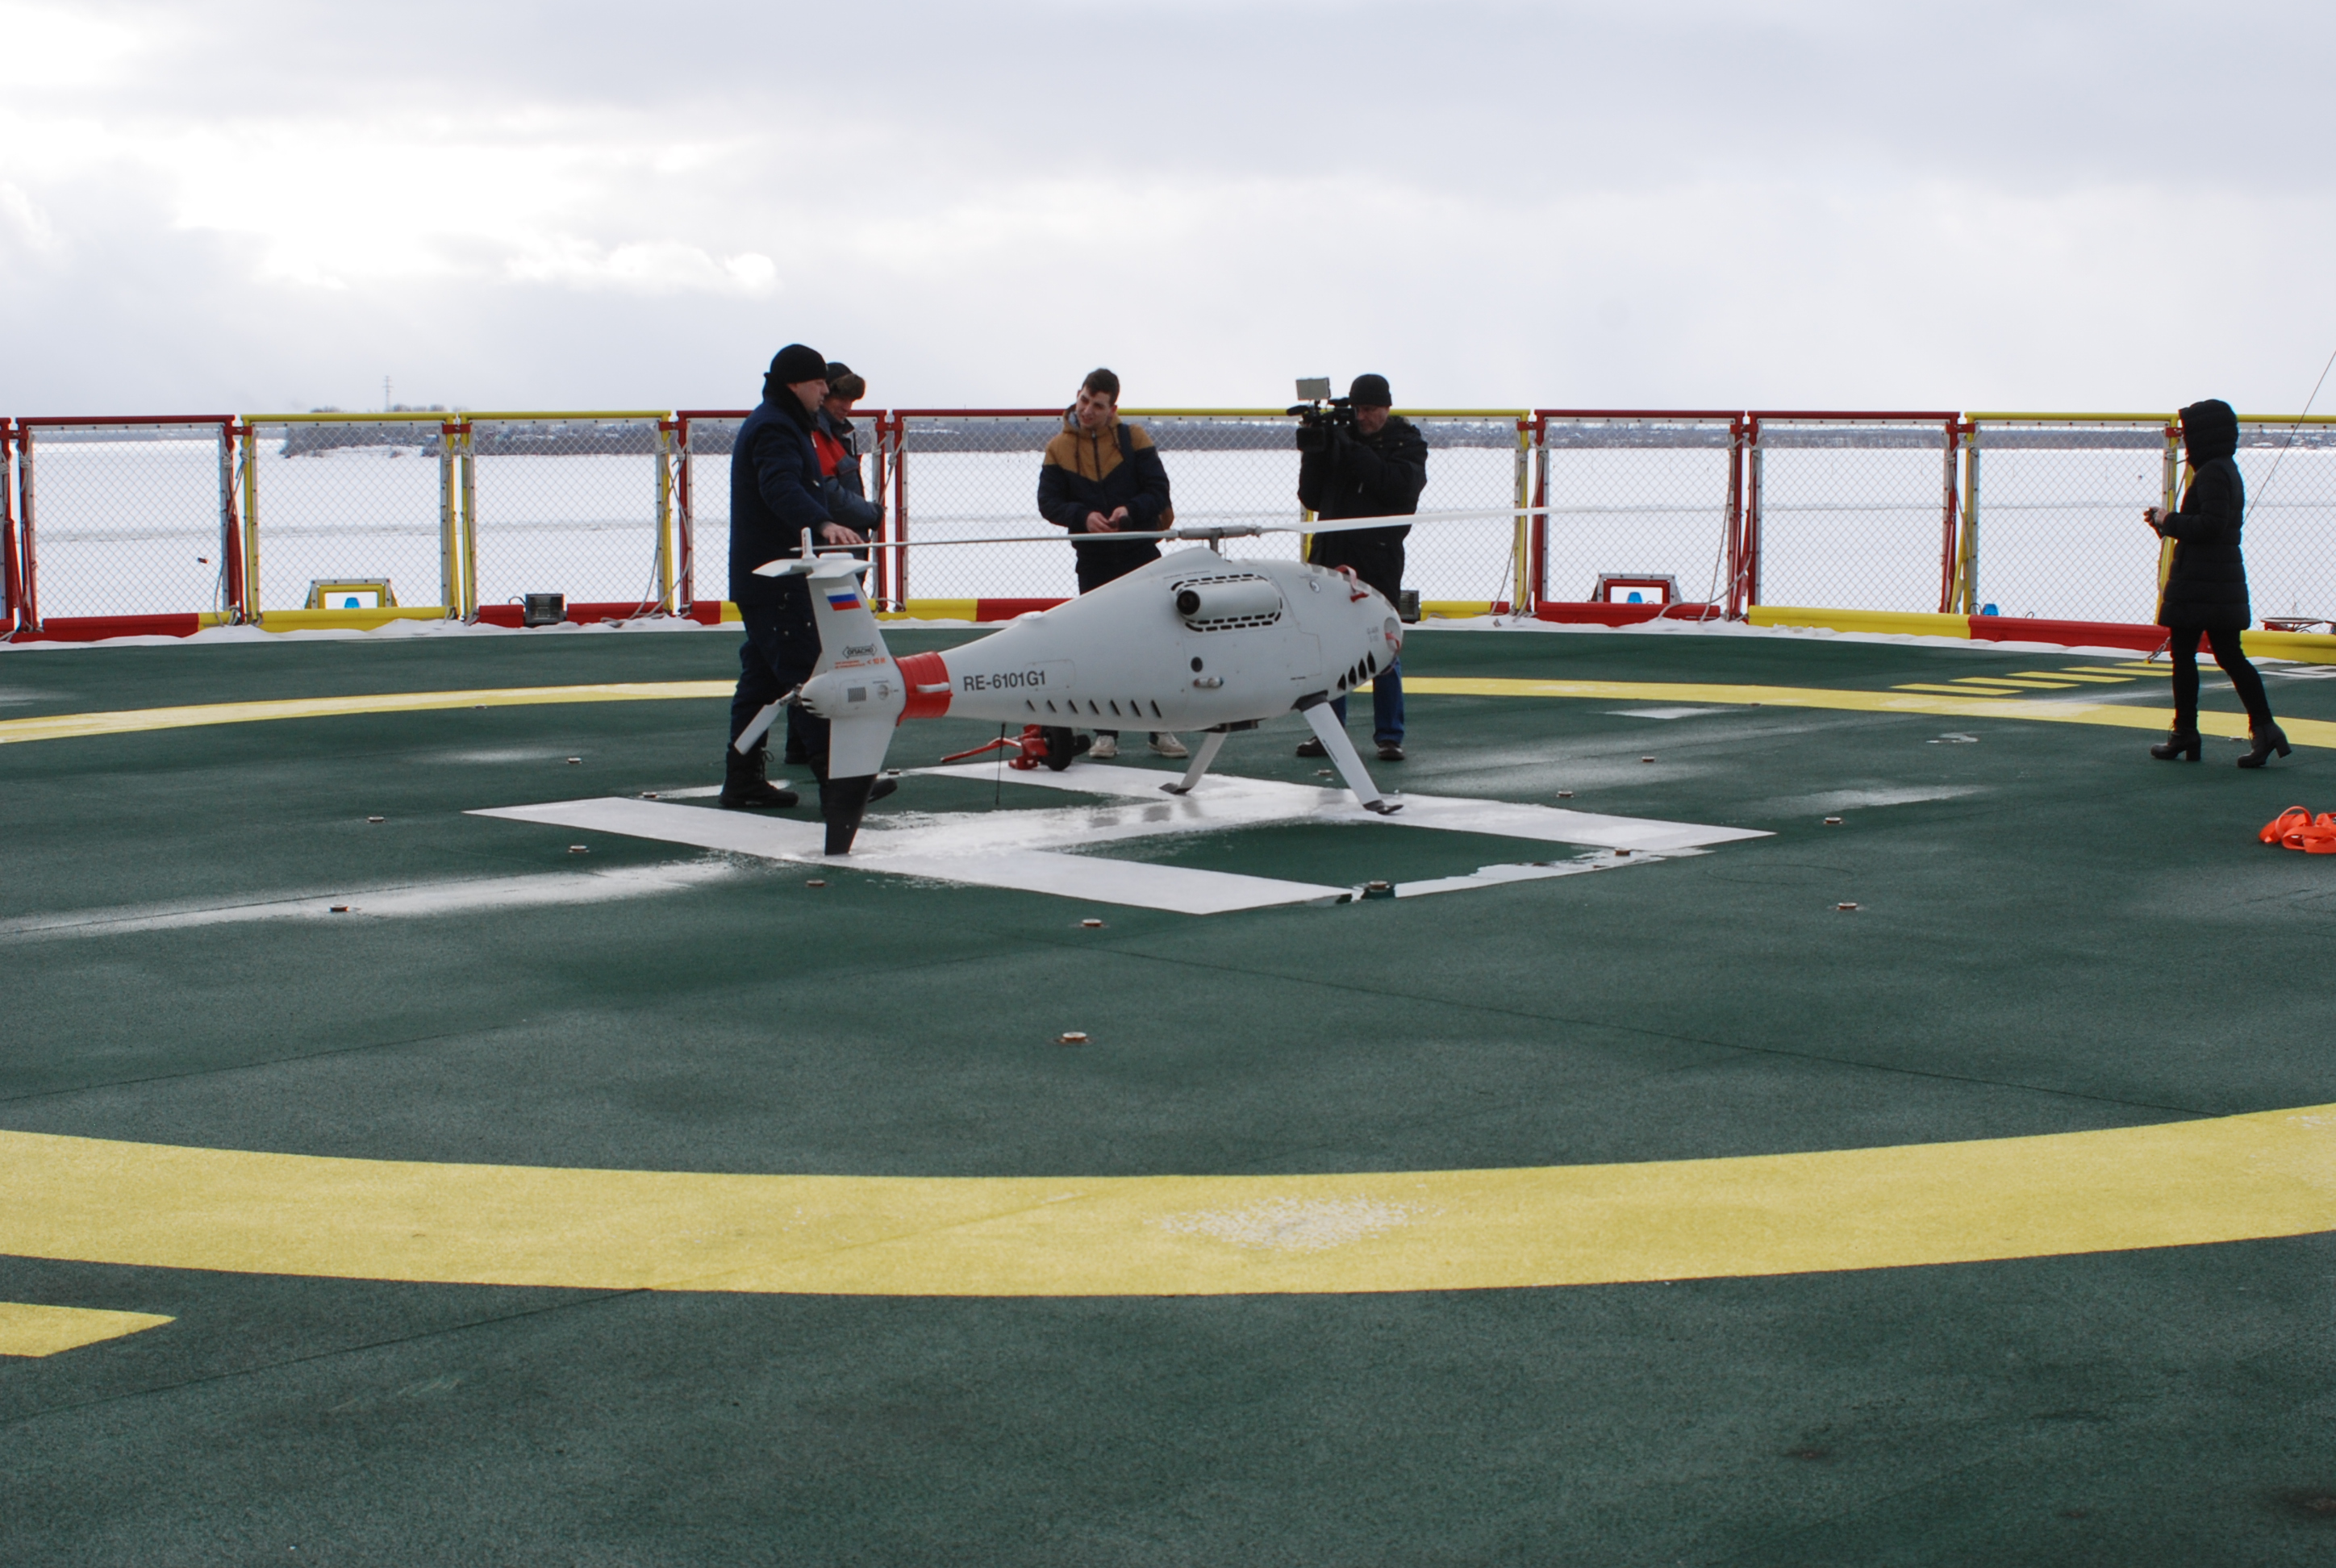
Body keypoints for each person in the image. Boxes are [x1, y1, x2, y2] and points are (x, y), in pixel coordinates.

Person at [721, 343, 895, 811]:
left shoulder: (780, 421)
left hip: (764, 577)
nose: (826, 389)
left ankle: (742, 779)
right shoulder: (777, 427)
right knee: (811, 676)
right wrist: (822, 524)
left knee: (762, 681)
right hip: (776, 580)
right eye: (820, 382)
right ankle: (839, 778)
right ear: (796, 384)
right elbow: (780, 487)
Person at [1036, 368, 1187, 760]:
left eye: (1097, 406)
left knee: (1152, 643)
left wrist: (1129, 511)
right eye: (1085, 401)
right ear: (1079, 395)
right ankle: (1106, 733)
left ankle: (1159, 728)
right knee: (1101, 646)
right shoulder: (1058, 447)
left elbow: (1160, 492)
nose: (1088, 411)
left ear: (1112, 408)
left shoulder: (1133, 438)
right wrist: (1083, 516)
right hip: (1094, 560)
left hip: (1140, 555)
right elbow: (1047, 504)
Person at [2144, 398, 2288, 767]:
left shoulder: (2210, 473)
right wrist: (2169, 524)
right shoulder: (2226, 469)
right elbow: (2215, 526)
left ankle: (2186, 732)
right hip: (2219, 581)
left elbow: (2209, 525)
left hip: (2199, 582)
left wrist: (2168, 520)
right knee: (2229, 655)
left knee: (2185, 657)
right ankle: (2265, 729)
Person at [1296, 373, 1427, 761]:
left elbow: (1393, 486)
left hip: (1378, 554)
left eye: (1369, 409)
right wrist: (1316, 453)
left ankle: (1389, 735)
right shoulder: (1344, 439)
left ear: (1387, 407)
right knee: (1327, 646)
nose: (1363, 416)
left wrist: (1348, 447)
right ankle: (1327, 733)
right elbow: (1312, 496)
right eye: (1358, 409)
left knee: (1384, 643)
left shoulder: (1408, 444)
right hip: (1332, 550)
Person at [813, 363, 882, 540]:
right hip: (835, 549)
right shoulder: (818, 435)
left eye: (851, 401)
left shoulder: (834, 435)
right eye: (841, 398)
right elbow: (829, 495)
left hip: (842, 544)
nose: (847, 407)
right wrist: (871, 513)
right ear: (823, 395)